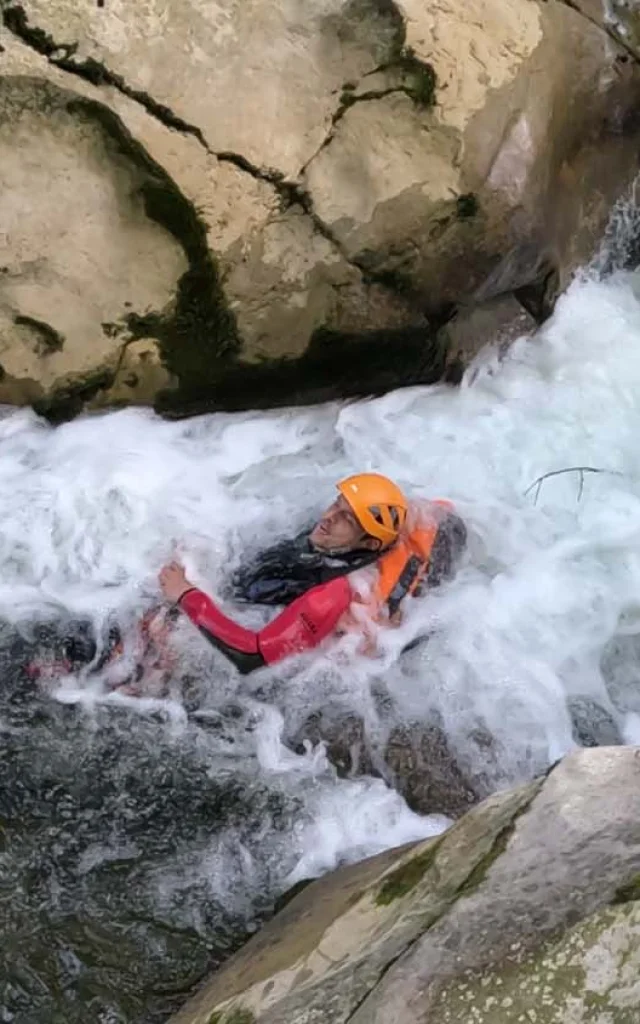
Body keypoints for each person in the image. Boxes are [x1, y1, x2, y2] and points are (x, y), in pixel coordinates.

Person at [159, 473, 466, 675]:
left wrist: (188, 594)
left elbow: (250, 656)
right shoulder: (407, 520)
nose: (328, 518)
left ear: (370, 543)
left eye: (346, 518)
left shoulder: (333, 596)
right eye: (337, 504)